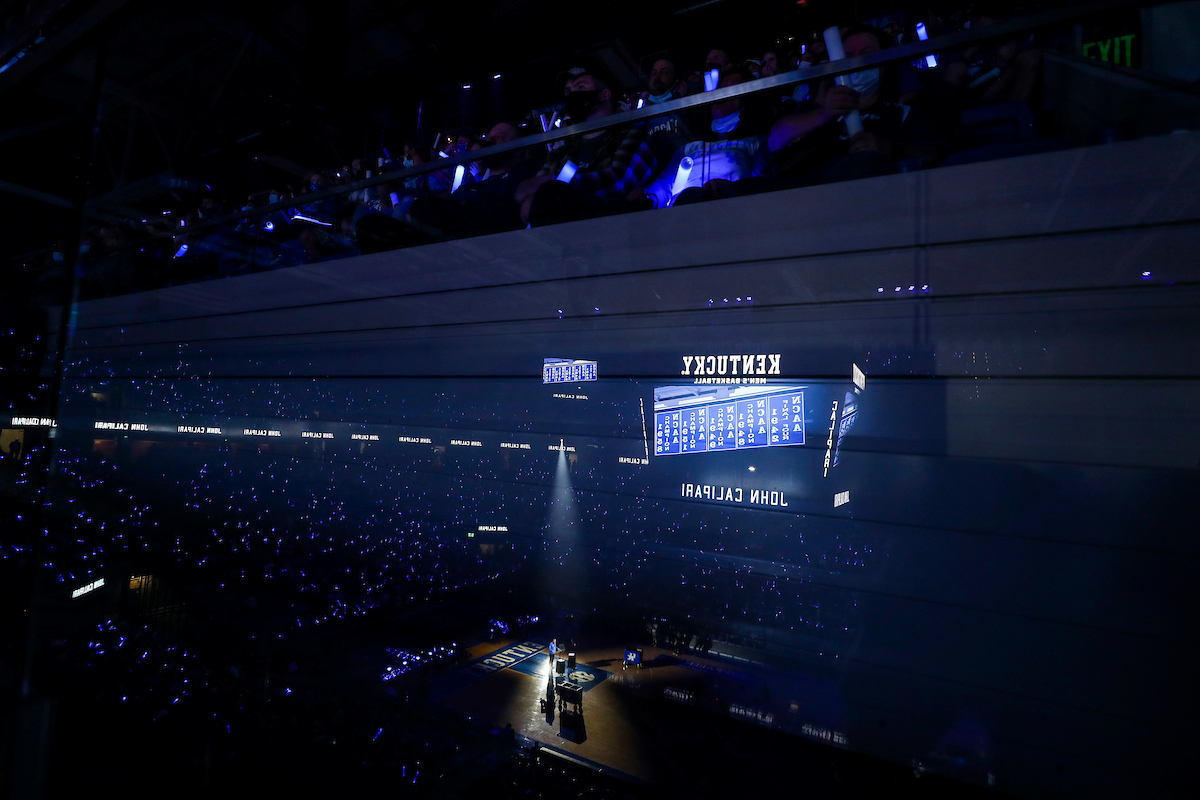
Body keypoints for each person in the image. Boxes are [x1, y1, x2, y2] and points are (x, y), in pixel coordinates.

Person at [768, 25, 949, 184]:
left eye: (867, 54)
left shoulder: (904, 113)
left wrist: (890, 149)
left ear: (884, 63)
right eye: (848, 56)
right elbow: (775, 139)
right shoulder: (819, 111)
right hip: (807, 193)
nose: (856, 62)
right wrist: (824, 114)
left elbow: (934, 154)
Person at [516, 68, 656, 226]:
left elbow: (618, 181)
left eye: (580, 87)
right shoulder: (563, 150)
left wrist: (552, 183)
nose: (572, 95)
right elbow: (533, 188)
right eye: (568, 91)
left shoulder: (632, 135)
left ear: (604, 95)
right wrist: (534, 195)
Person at [642, 67, 772, 208]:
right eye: (720, 88)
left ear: (745, 100)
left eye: (731, 88)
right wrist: (648, 197)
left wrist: (730, 189)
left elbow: (759, 185)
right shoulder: (688, 149)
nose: (722, 93)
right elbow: (664, 185)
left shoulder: (756, 143)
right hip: (682, 210)